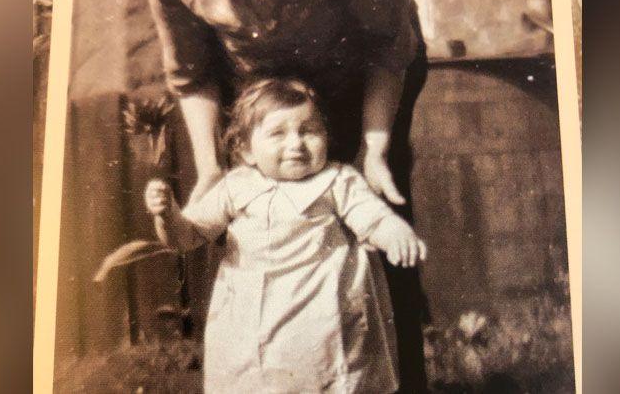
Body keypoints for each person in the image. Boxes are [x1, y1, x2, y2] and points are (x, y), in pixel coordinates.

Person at [146, 0, 430, 388]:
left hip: (358, 72)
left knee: (376, 227)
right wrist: (209, 171)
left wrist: (373, 151)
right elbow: (191, 75)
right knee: (245, 235)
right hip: (254, 90)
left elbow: (386, 50)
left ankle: (389, 382)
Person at [144, 79, 427, 393]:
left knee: (332, 380)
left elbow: (372, 219)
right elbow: (188, 236)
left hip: (324, 318)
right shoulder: (235, 187)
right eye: (278, 134)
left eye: (309, 131)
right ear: (246, 150)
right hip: (254, 320)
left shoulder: (337, 180)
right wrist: (167, 215)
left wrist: (395, 233)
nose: (296, 144)